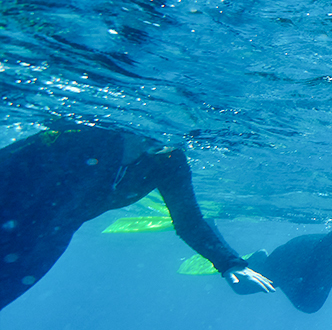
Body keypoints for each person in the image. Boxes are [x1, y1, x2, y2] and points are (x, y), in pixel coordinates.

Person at [1, 124, 274, 310]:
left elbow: (188, 220)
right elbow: (10, 162)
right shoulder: (85, 136)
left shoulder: (169, 163)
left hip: (49, 241)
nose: (162, 143)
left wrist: (230, 264)